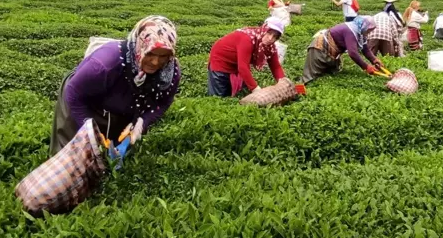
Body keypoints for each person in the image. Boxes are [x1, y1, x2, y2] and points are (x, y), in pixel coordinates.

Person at [50, 16, 181, 155]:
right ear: (140, 46)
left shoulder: (170, 72)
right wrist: (89, 129)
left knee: (111, 154)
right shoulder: (104, 65)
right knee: (73, 153)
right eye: (150, 53)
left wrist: (143, 122)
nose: (155, 62)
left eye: (163, 56)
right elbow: (74, 93)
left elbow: (164, 101)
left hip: (122, 103)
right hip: (82, 96)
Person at [208, 17, 286, 97]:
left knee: (236, 94)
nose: (270, 38)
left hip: (236, 64)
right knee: (219, 96)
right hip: (220, 61)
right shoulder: (248, 39)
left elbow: (275, 66)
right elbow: (243, 67)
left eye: (275, 37)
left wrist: (283, 83)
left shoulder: (270, 48)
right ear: (264, 29)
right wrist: (256, 89)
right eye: (269, 33)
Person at [302, 16, 385, 84]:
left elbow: (365, 49)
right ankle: (299, 91)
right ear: (364, 26)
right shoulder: (350, 30)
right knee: (311, 77)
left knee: (330, 75)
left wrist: (374, 60)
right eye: (369, 30)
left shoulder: (360, 31)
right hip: (320, 49)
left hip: (333, 53)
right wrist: (366, 67)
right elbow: (353, 53)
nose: (369, 32)